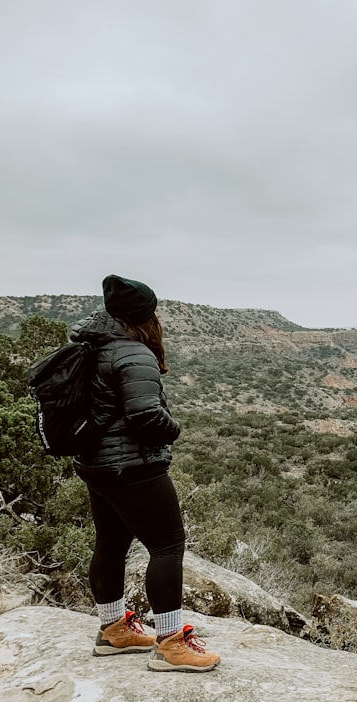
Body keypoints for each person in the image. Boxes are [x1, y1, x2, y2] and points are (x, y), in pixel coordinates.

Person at [71, 274, 220, 672]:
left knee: (111, 542)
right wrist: (174, 428)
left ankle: (113, 629)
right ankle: (172, 644)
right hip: (133, 466)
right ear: (145, 317)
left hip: (95, 465)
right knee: (167, 545)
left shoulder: (90, 345)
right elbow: (145, 416)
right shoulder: (134, 354)